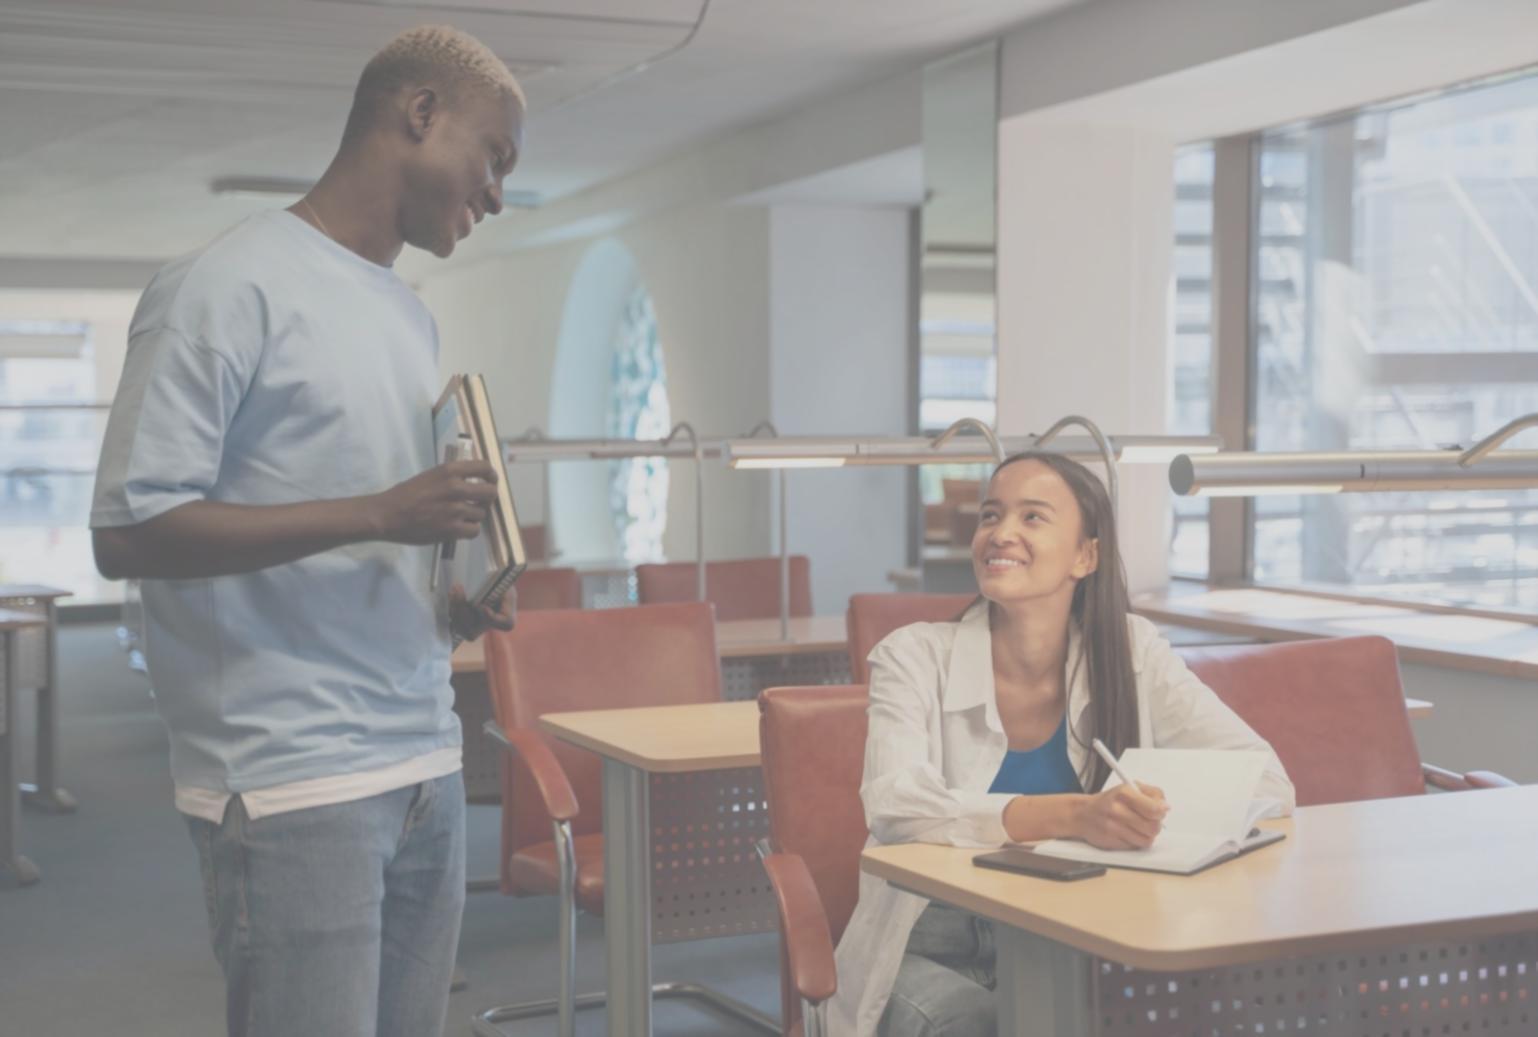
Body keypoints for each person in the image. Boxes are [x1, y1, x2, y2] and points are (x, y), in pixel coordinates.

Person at [89, 25, 525, 1037]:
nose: (497, 193)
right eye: (492, 157)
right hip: (291, 777)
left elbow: (355, 522)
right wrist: (383, 512)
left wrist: (439, 594)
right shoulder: (221, 285)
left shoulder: (406, 314)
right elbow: (131, 526)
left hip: (422, 756)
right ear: (418, 113)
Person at [827, 452, 1296, 1036]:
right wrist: (1077, 816)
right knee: (978, 1026)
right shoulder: (915, 654)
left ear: (1086, 555)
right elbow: (896, 804)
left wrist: (1146, 813)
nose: (1001, 533)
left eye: (1032, 518)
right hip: (931, 942)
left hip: (1076, 937)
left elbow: (1266, 781)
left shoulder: (1130, 649)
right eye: (991, 515)